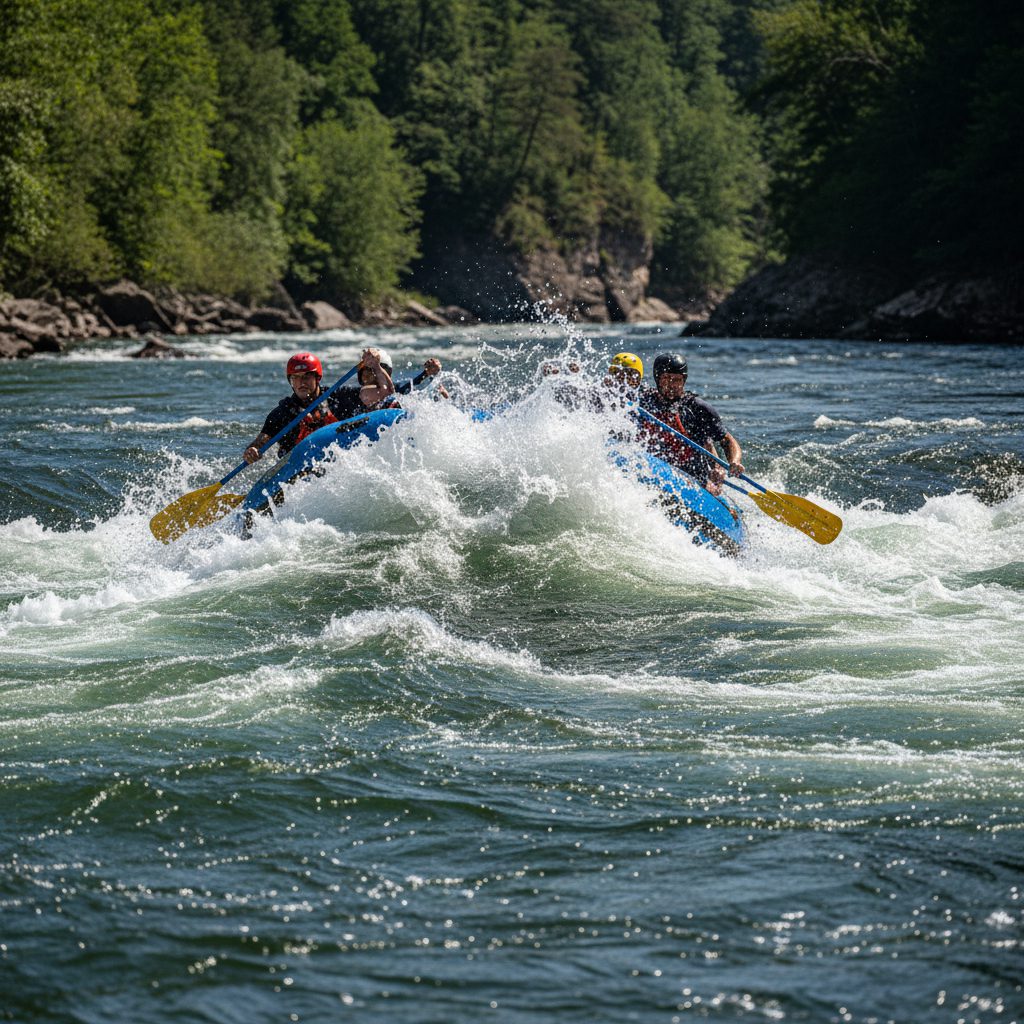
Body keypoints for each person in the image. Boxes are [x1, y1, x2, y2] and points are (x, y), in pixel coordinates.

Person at [242, 348, 394, 464]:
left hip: (339, 464)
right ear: (290, 381)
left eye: (307, 376)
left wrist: (376, 367)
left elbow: (385, 393)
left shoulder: (339, 396)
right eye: (296, 378)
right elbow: (259, 443)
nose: (302, 383)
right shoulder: (281, 414)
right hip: (297, 475)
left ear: (317, 378)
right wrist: (252, 451)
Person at [638, 352, 744, 495]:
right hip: (653, 468)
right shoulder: (643, 400)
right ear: (657, 379)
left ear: (684, 380)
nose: (671, 385)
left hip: (693, 476)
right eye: (666, 378)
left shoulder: (698, 408)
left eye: (677, 380)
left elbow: (726, 440)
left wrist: (734, 462)